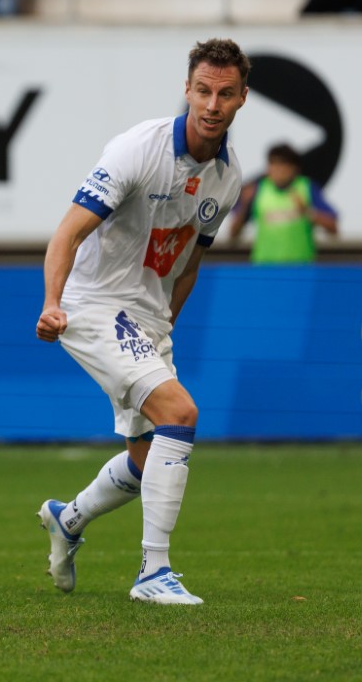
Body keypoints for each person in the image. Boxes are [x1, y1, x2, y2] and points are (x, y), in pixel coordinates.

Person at [35, 38, 249, 606]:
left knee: (145, 455)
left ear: (241, 99)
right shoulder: (137, 149)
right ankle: (153, 571)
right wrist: (52, 302)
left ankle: (68, 518)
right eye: (203, 90)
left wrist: (164, 328)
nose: (212, 104)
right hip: (94, 304)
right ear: (187, 89)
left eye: (225, 94)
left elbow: (190, 263)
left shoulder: (229, 178)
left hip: (147, 317)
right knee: (180, 413)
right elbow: (68, 233)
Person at [229, 143, 338, 263]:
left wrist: (307, 212)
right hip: (265, 268)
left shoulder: (306, 188)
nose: (278, 170)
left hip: (300, 268)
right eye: (273, 164)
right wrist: (244, 205)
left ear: (294, 168)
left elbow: (333, 227)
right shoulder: (258, 190)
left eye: (282, 165)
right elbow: (234, 234)